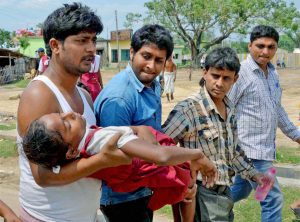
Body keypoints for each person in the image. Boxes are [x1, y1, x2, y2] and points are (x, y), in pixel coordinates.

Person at [17, 3, 133, 221]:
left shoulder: (84, 95)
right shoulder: (40, 94)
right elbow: (42, 175)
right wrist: (102, 160)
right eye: (81, 40)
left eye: (93, 40)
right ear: (55, 45)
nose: (91, 48)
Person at [94, 24, 199, 222]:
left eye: (159, 60)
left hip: (142, 187)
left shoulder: (150, 83)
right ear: (132, 52)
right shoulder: (120, 99)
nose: (151, 65)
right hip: (122, 195)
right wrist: (173, 174)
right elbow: (116, 159)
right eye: (146, 56)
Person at [23, 111, 218, 211]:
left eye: (60, 113)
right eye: (67, 124)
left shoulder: (81, 151)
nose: (69, 114)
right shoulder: (102, 141)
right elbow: (162, 156)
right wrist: (197, 154)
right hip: (166, 165)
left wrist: (143, 132)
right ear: (71, 151)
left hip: (152, 173)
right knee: (189, 189)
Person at [162, 47, 269, 222]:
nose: (219, 83)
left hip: (225, 192)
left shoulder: (230, 108)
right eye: (215, 76)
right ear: (205, 73)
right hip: (201, 191)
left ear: (235, 79)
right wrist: (186, 168)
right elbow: (161, 147)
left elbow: (232, 151)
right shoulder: (188, 110)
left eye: (226, 78)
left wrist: (254, 174)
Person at [228, 25, 300, 222]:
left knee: (237, 192)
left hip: (264, 149)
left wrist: (296, 134)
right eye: (260, 46)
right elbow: (224, 107)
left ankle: (206, 208)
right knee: (272, 198)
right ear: (250, 45)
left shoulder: (273, 74)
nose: (265, 51)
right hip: (248, 150)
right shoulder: (240, 74)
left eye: (271, 47)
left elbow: (277, 109)